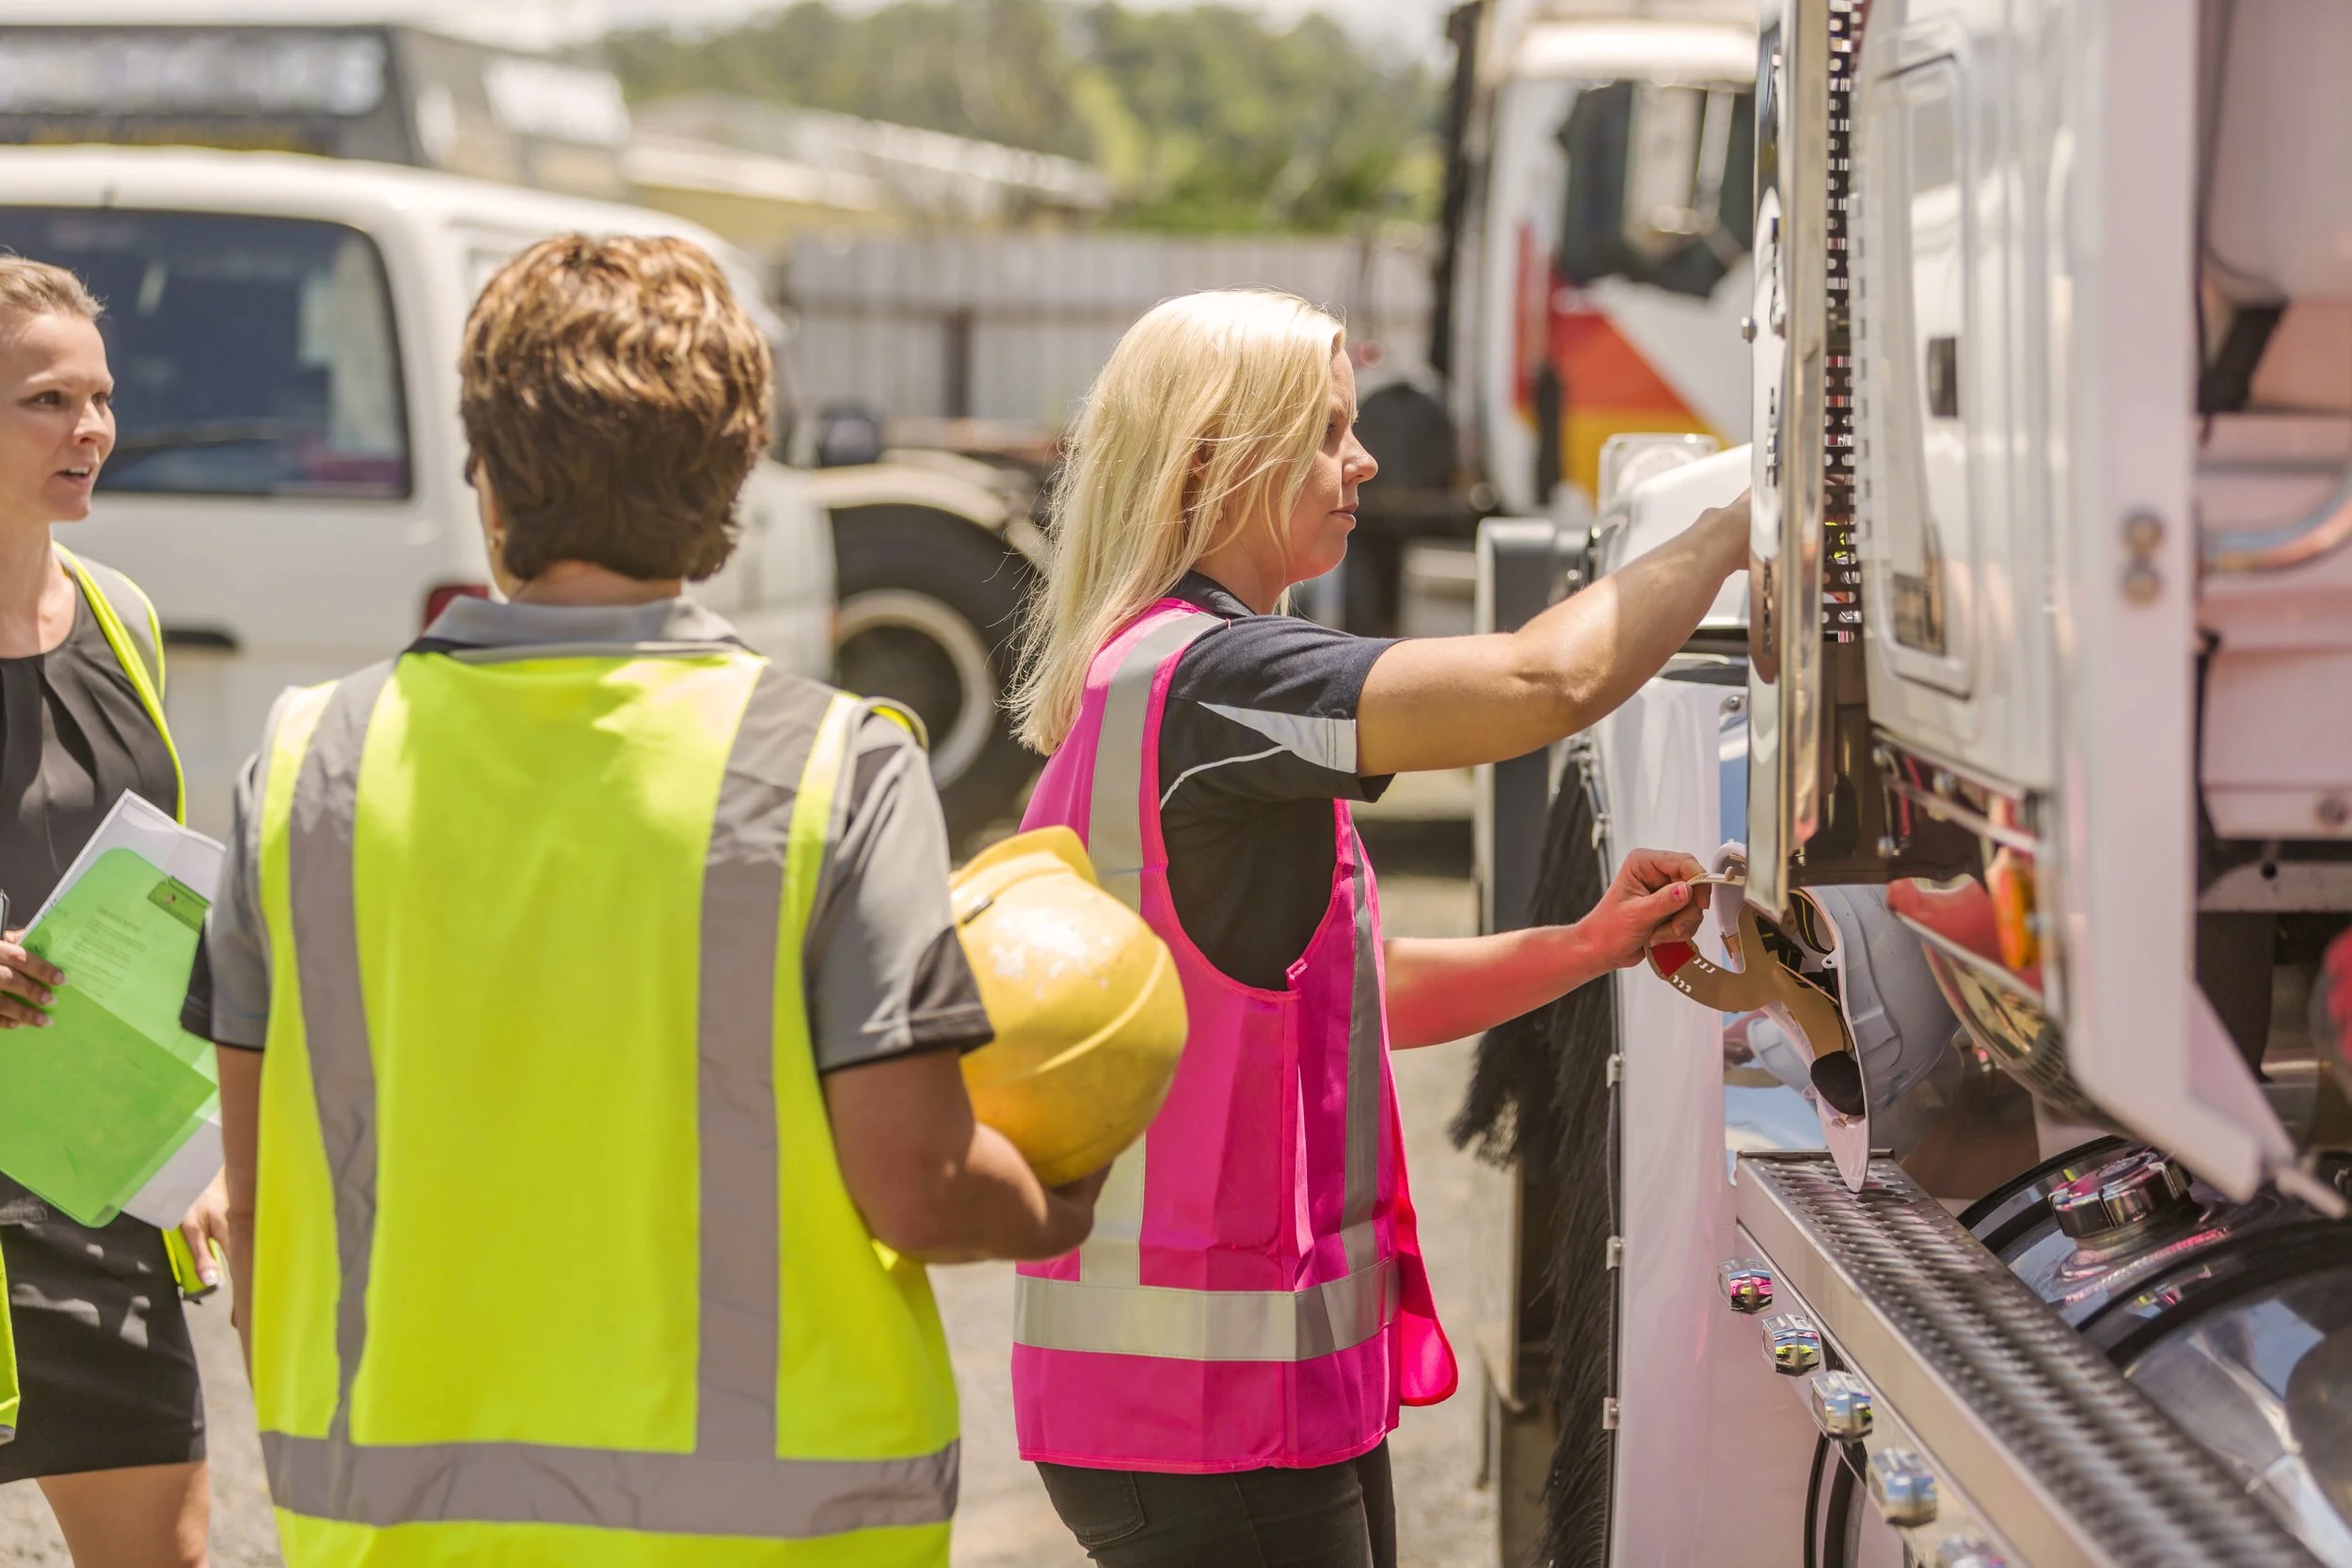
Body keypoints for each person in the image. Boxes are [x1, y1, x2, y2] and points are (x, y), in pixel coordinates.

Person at [185, 234, 1104, 1566]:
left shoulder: (305, 760)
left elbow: (262, 1199)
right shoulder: (835, 767)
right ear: (736, 473)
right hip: (780, 1531)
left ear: (484, 469)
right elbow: (917, 1184)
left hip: (394, 1527)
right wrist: (1056, 1202)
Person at [1006, 288, 1746, 1568]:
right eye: (1328, 430)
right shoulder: (1220, 684)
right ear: (1211, 460)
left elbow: (1361, 988)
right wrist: (1732, 532)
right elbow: (1542, 682)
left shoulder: (1160, 676)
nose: (1366, 461)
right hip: (1204, 1418)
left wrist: (1584, 944)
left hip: (1218, 1413)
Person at [0, 256, 229, 1568]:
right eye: (46, 400)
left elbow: (157, 917)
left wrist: (182, 1137)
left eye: (101, 397)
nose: (89, 429)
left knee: (169, 1553)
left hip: (94, 1186)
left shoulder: (121, 616)